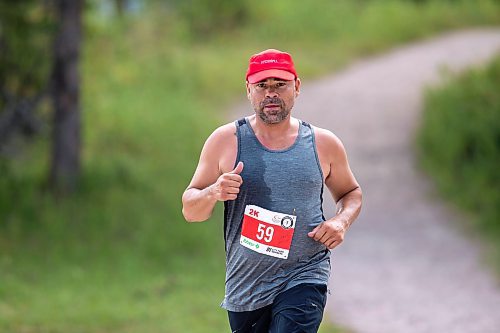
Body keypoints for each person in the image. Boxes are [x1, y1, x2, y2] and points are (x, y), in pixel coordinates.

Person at [182, 49, 362, 333]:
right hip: (247, 287)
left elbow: (350, 193)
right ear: (248, 90)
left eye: (280, 85)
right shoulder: (225, 141)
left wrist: (341, 221)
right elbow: (191, 210)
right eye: (262, 86)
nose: (271, 94)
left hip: (305, 274)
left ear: (297, 87)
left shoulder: (323, 143)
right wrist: (213, 192)